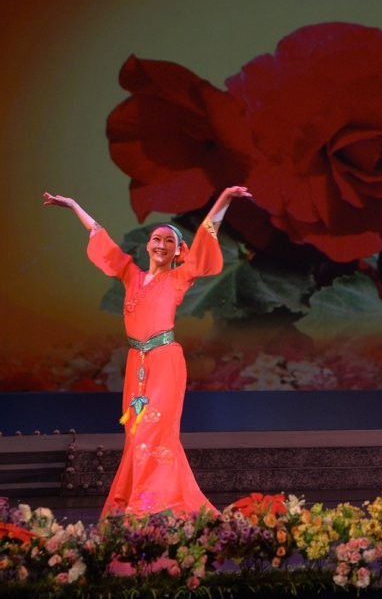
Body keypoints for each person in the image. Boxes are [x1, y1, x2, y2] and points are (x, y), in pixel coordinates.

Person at [43, 186, 253, 517]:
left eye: (169, 242)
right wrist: (73, 206)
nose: (161, 244)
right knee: (136, 433)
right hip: (137, 364)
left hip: (165, 361)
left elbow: (205, 235)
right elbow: (101, 238)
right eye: (157, 239)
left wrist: (224, 198)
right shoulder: (131, 276)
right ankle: (149, 500)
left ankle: (149, 505)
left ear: (175, 252)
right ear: (148, 245)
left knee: (154, 429)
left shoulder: (181, 277)